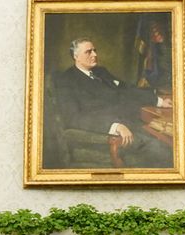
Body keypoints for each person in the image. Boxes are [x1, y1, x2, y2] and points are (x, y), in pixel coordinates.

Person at [52, 37, 174, 168]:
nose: (95, 55)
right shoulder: (66, 80)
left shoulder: (101, 72)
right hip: (109, 135)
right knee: (165, 151)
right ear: (76, 56)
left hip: (133, 123)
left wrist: (158, 101)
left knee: (169, 139)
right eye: (88, 52)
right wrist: (115, 126)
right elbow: (74, 117)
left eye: (94, 50)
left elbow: (126, 89)